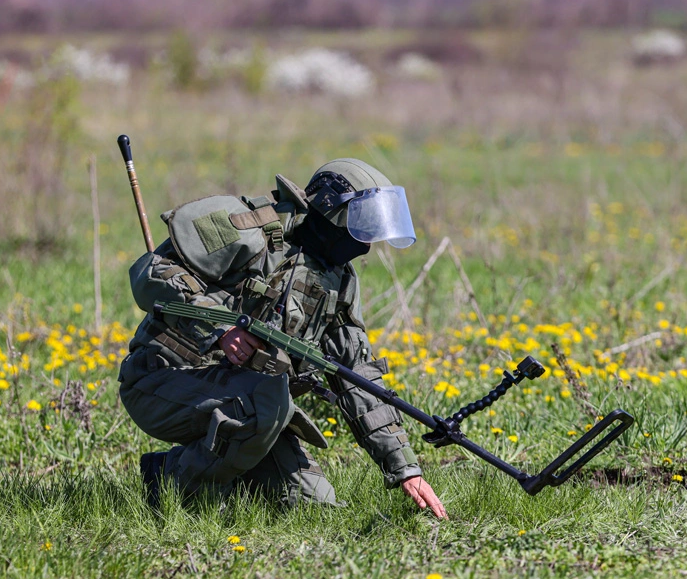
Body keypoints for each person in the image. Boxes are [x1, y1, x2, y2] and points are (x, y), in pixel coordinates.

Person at [117, 158, 447, 519]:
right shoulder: (248, 229)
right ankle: (177, 491)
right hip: (162, 380)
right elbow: (149, 273)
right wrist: (223, 326)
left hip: (251, 403)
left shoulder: (338, 284)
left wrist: (405, 469)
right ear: (329, 209)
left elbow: (356, 376)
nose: (367, 241)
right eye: (360, 222)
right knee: (269, 401)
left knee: (314, 509)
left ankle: (183, 471)